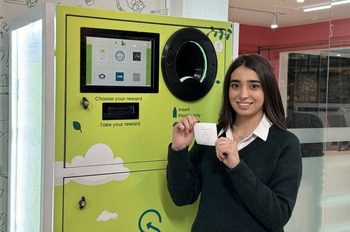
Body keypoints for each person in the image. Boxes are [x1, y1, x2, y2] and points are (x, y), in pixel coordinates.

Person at [166, 54, 302, 232]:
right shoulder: (210, 137)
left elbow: (278, 216)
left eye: (254, 86)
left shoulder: (285, 143)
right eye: (235, 85)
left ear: (267, 90)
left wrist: (237, 166)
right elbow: (182, 197)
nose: (243, 94)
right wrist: (179, 150)